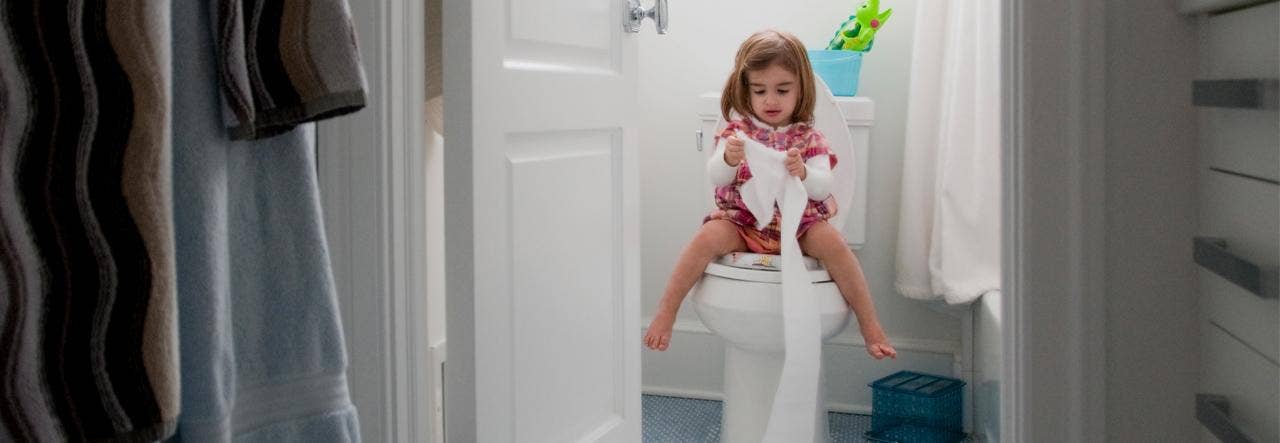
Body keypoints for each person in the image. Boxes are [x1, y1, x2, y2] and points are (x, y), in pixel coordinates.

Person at [643, 29, 897, 360]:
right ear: (745, 91)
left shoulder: (809, 138)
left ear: (801, 89)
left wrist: (804, 173)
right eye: (759, 90)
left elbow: (823, 187)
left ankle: (870, 325)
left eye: (782, 90)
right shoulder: (737, 134)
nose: (770, 100)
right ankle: (666, 312)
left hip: (798, 225)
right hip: (743, 222)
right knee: (705, 238)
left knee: (835, 246)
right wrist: (729, 160)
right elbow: (716, 177)